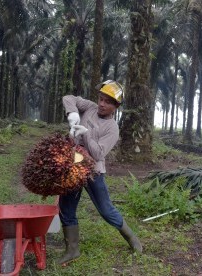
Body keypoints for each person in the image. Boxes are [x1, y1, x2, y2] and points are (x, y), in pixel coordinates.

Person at [58, 80, 142, 265]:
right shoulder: (89, 107)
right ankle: (72, 250)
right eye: (101, 99)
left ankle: (131, 238)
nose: (102, 104)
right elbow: (68, 98)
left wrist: (86, 132)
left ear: (116, 106)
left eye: (108, 102)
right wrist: (72, 113)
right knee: (66, 207)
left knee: (106, 210)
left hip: (94, 170)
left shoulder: (112, 129)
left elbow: (98, 154)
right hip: (74, 164)